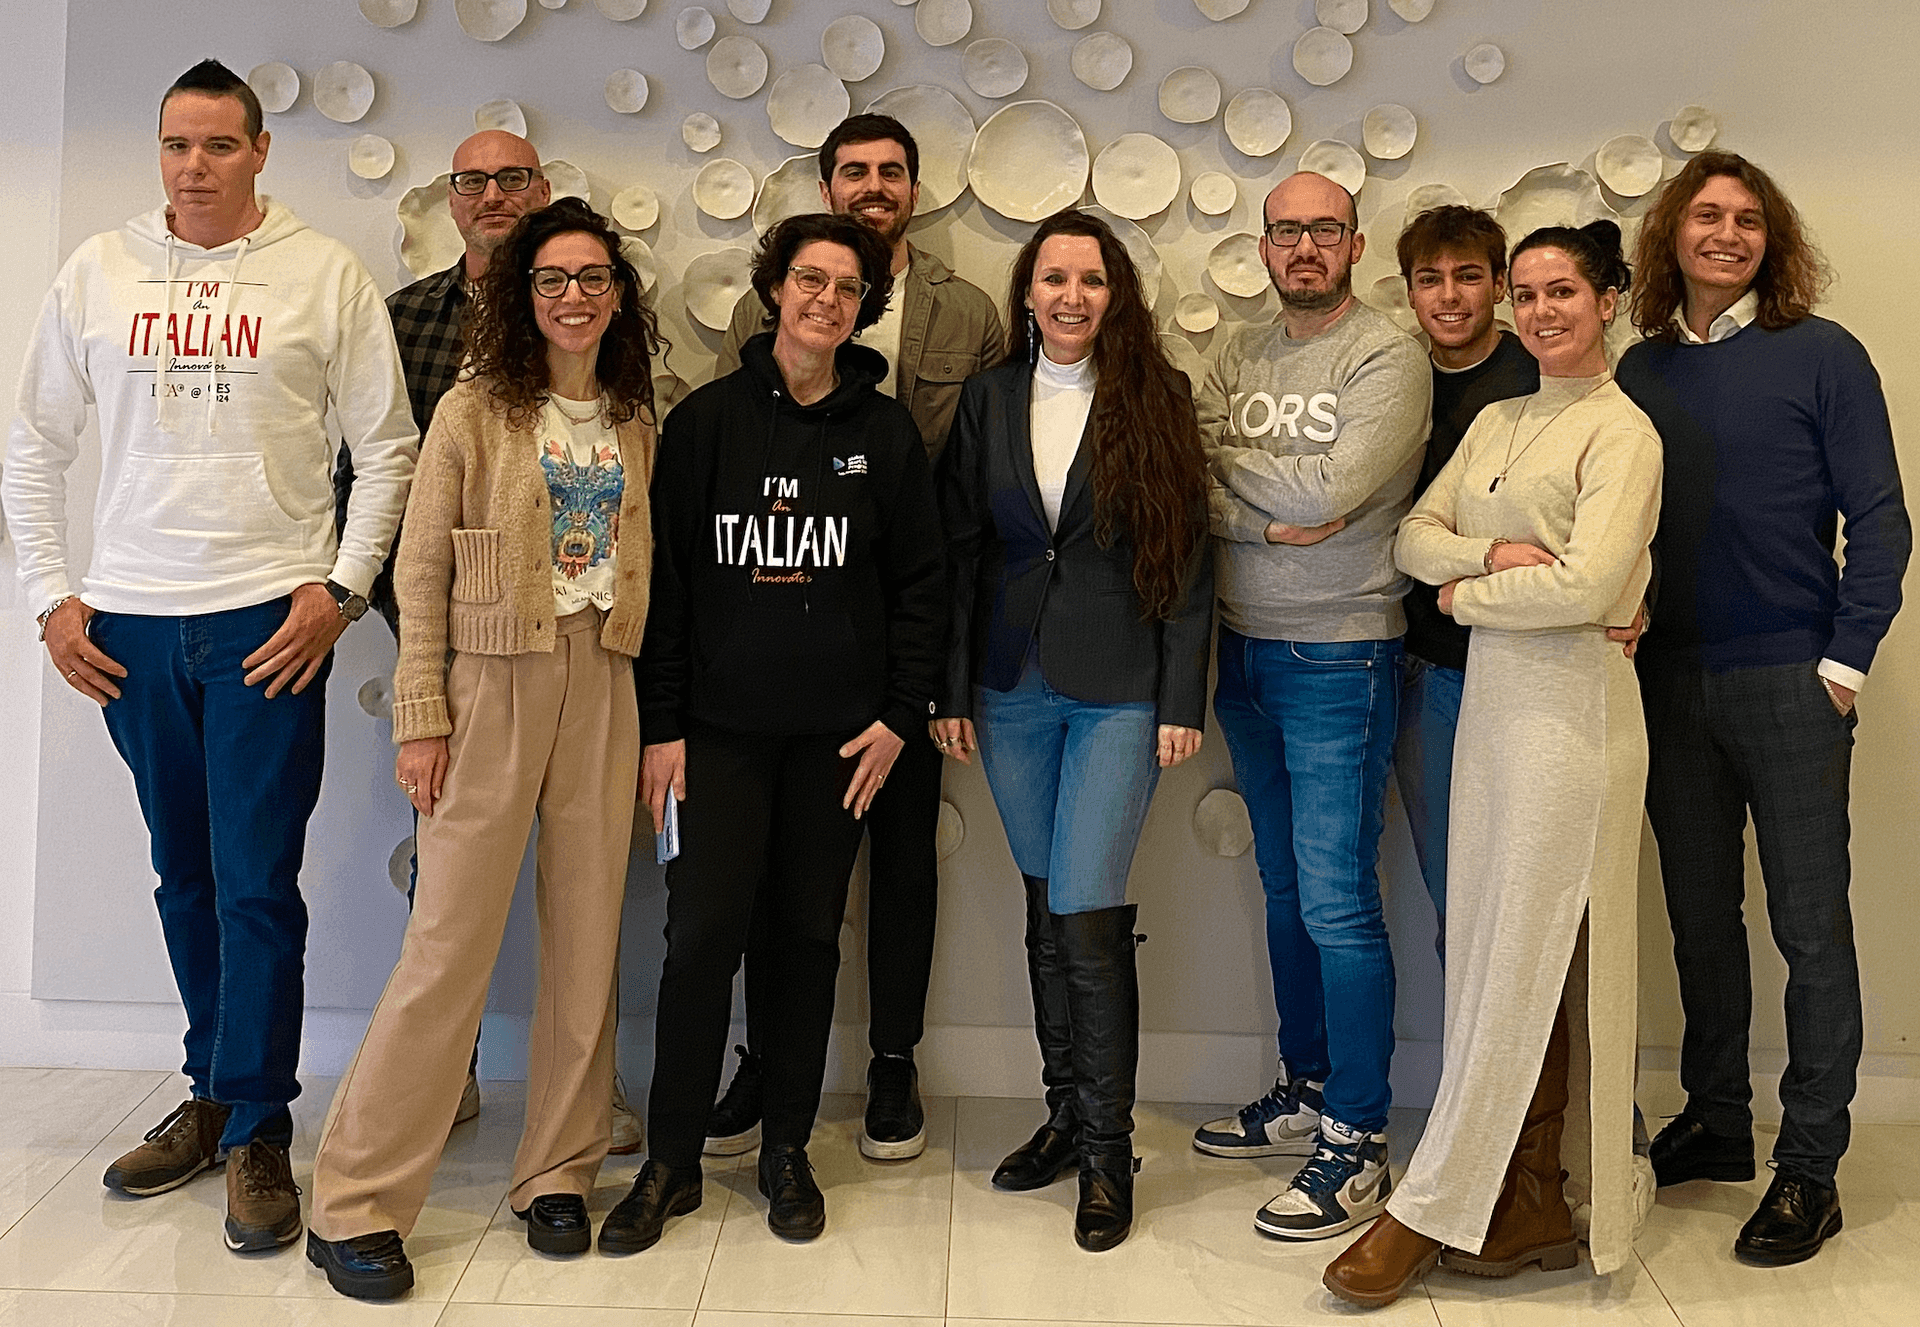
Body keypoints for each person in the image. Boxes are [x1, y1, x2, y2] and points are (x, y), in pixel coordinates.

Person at [2, 59, 415, 1255]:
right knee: (183, 873)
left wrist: (340, 592)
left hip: (262, 627)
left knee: (254, 883)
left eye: (218, 145)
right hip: (128, 625)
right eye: (177, 144)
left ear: (261, 150)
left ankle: (259, 1128)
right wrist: (50, 596)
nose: (194, 167)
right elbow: (31, 442)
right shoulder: (99, 269)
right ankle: (211, 1089)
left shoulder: (323, 274)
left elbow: (386, 447)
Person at [304, 199, 662, 1300]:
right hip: (489, 685)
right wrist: (422, 712)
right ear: (523, 293)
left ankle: (557, 1168)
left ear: (617, 293)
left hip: (604, 680)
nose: (572, 295)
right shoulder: (472, 407)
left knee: (589, 937)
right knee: (446, 947)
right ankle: (354, 1200)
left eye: (592, 277)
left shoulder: (637, 411)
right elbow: (417, 573)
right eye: (552, 277)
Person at [1322, 221, 1661, 1308]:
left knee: (1536, 947)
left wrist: (1467, 600)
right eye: (1528, 293)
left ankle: (1450, 1196)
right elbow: (1411, 538)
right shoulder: (1504, 418)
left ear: (1607, 299)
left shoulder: (1624, 434)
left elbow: (1592, 589)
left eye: (1564, 290)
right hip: (1493, 721)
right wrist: (1487, 558)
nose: (1542, 310)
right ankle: (1522, 1200)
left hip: (1575, 725)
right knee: (1487, 946)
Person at [600, 212, 944, 1253]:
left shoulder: (885, 437)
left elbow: (925, 588)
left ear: (863, 308)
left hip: (838, 746)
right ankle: (670, 1160)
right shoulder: (703, 424)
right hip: (715, 738)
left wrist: (897, 717)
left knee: (802, 941)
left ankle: (785, 1147)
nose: (825, 300)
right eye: (809, 280)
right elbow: (660, 593)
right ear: (775, 291)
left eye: (846, 288)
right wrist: (661, 729)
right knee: (699, 938)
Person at [1616, 152, 1910, 1267]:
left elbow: (1881, 523)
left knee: (1808, 925)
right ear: (1672, 238)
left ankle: (1813, 1164)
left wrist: (1842, 665)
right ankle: (1720, 1117)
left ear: (1771, 240)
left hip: (1793, 678)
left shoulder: (1825, 357)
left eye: (1747, 219)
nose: (1727, 234)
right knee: (1698, 915)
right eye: (1707, 216)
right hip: (1668, 682)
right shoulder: (1639, 372)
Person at [709, 112, 1002, 1161]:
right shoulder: (774, 299)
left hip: (915, 620)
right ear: (827, 186)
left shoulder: (965, 312)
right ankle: (760, 1059)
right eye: (853, 172)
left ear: (916, 188)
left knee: (904, 861)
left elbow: (986, 466)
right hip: (791, 622)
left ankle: (893, 1061)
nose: (874, 185)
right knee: (770, 862)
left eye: (891, 171)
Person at [932, 208, 1212, 1251]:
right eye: (1053, 278)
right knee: (1046, 900)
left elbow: (1186, 559)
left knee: (1090, 913)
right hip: (1010, 687)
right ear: (1026, 292)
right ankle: (1061, 1112)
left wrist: (1183, 697)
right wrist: (950, 686)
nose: (1070, 297)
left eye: (1090, 280)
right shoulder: (990, 398)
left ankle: (1107, 1150)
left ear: (1115, 293)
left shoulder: (1156, 398)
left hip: (1118, 688)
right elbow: (961, 549)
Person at [1192, 171, 1430, 1242]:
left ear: (1354, 243)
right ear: (1262, 244)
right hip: (1240, 650)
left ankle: (1360, 1137)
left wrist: (1292, 501)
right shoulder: (1237, 349)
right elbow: (1193, 478)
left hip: (1343, 655)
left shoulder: (1388, 353)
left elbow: (1326, 496)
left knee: (1339, 900)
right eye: (1285, 231)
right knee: (1286, 887)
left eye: (1321, 231)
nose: (1302, 247)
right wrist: (1275, 508)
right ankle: (1309, 1086)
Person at [1391, 205, 1538, 956]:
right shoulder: (1392, 383)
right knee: (1457, 896)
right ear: (1410, 292)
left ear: (1501, 285)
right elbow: (1400, 535)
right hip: (1428, 670)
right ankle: (1474, 1074)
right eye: (1431, 280)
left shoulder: (1541, 380)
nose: (1449, 297)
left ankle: (1551, 1077)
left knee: (1532, 897)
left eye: (1469, 277)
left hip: (1529, 667)